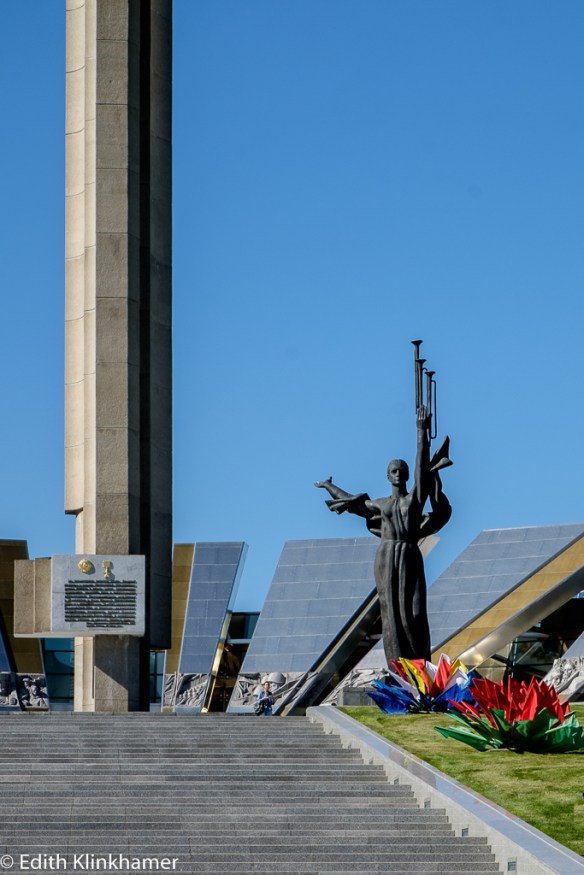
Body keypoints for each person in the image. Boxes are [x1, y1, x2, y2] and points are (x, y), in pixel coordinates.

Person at [315, 406, 451, 665]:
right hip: (387, 556)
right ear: (388, 476)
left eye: (403, 470)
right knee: (391, 613)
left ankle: (421, 667)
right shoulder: (380, 505)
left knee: (415, 611)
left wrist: (421, 432)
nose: (399, 473)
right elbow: (351, 503)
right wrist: (328, 485)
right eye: (394, 470)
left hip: (410, 553)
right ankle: (398, 669)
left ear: (408, 474)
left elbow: (423, 471)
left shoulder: (414, 502)